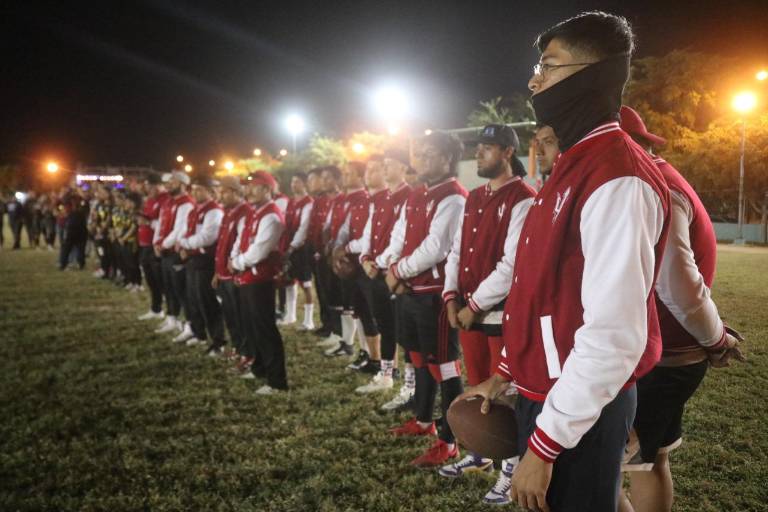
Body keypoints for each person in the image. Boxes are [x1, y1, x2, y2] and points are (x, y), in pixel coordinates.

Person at [462, 12, 671, 512]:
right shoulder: (572, 164)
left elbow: (615, 335)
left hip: (579, 406)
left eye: (548, 65)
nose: (534, 81)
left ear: (592, 74)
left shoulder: (618, 176)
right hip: (549, 390)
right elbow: (539, 288)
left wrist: (546, 443)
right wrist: (508, 370)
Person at [617, 106, 746, 512]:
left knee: (602, 464)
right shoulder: (659, 179)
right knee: (650, 460)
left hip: (661, 354)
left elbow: (678, 284)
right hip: (669, 352)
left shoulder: (652, 186)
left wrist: (717, 339)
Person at [438, 124, 536, 505]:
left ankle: (510, 468)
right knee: (476, 384)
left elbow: (512, 265)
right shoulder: (475, 196)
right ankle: (480, 452)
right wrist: (451, 297)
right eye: (477, 147)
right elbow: (457, 250)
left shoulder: (523, 198)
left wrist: (474, 305)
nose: (478, 154)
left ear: (508, 152)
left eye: (488, 147)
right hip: (467, 310)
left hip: (497, 313)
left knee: (502, 393)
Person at [386, 131, 468, 467]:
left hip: (434, 296)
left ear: (448, 159)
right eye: (420, 152)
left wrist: (399, 271)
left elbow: (436, 248)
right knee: (418, 357)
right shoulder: (417, 193)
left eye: (430, 153)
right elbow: (400, 233)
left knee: (444, 365)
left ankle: (449, 441)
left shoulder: (454, 197)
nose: (421, 158)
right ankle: (423, 420)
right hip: (411, 290)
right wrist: (392, 266)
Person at [359, 149, 414, 406]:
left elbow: (401, 239)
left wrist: (379, 262)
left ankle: (410, 384)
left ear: (403, 168)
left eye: (390, 164)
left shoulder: (409, 196)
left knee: (404, 332)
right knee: (384, 325)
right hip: (375, 270)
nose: (385, 169)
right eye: (384, 164)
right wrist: (365, 258)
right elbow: (369, 232)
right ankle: (386, 373)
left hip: (393, 273)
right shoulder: (381, 198)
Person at [230, 170, 288, 394]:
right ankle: (260, 368)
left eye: (253, 186)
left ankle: (277, 381)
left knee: (265, 329)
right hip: (248, 276)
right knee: (253, 327)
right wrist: (235, 260)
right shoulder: (255, 213)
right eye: (247, 186)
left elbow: (259, 251)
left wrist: (237, 263)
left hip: (260, 279)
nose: (248, 191)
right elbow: (241, 240)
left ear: (266, 189)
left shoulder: (271, 216)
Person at [328, 161, 379, 365]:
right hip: (353, 263)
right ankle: (365, 353)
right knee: (359, 310)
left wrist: (346, 248)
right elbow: (345, 228)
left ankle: (377, 360)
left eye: (350, 173)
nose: (345, 177)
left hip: (366, 264)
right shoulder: (357, 202)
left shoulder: (367, 200)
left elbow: (370, 236)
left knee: (371, 314)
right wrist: (337, 250)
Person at [178, 176, 225, 353]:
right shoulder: (195, 210)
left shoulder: (214, 211)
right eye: (194, 189)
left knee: (207, 301)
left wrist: (185, 244)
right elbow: (186, 231)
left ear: (211, 192)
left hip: (206, 261)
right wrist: (185, 244)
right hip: (193, 259)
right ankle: (200, 334)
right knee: (194, 299)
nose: (195, 193)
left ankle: (218, 341)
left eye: (200, 189)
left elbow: (207, 238)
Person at [212, 176, 251, 361]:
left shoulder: (244, 212)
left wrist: (235, 269)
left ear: (236, 192)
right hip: (224, 274)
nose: (220, 196)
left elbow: (241, 244)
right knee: (230, 316)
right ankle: (238, 348)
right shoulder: (228, 212)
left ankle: (247, 353)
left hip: (235, 274)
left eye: (224, 192)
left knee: (241, 317)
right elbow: (221, 245)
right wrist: (217, 272)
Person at [153, 171, 195, 337]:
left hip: (175, 252)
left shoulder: (186, 203)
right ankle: (172, 318)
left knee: (181, 290)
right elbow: (160, 224)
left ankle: (190, 325)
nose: (169, 184)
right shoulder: (168, 202)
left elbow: (180, 230)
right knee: (168, 287)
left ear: (183, 185)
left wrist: (162, 244)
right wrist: (156, 242)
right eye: (169, 181)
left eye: (173, 182)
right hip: (165, 250)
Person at [277, 172, 315, 330]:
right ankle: (290, 315)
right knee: (289, 281)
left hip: (301, 248)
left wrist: (293, 246)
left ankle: (308, 320)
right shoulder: (291, 202)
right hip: (289, 246)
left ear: (305, 184)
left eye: (297, 181)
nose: (294, 185)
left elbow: (304, 227)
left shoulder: (309, 203)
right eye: (292, 181)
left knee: (306, 284)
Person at [137, 174, 169, 321]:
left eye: (150, 186)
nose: (148, 189)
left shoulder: (165, 199)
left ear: (158, 185)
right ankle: (156, 308)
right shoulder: (150, 200)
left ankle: (169, 312)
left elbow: (164, 224)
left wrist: (148, 222)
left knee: (160, 280)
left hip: (155, 245)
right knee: (150, 278)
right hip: (145, 244)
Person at [306, 167, 333, 338]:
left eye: (312, 179)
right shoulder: (318, 200)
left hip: (327, 252)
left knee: (329, 291)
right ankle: (326, 323)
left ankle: (333, 327)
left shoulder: (330, 199)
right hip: (315, 251)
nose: (310, 183)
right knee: (321, 289)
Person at [58, 188, 89, 270]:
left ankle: (80, 263)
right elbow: (62, 202)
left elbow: (86, 205)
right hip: (72, 226)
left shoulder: (82, 201)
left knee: (80, 247)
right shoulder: (69, 201)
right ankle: (63, 263)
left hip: (80, 226)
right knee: (67, 246)